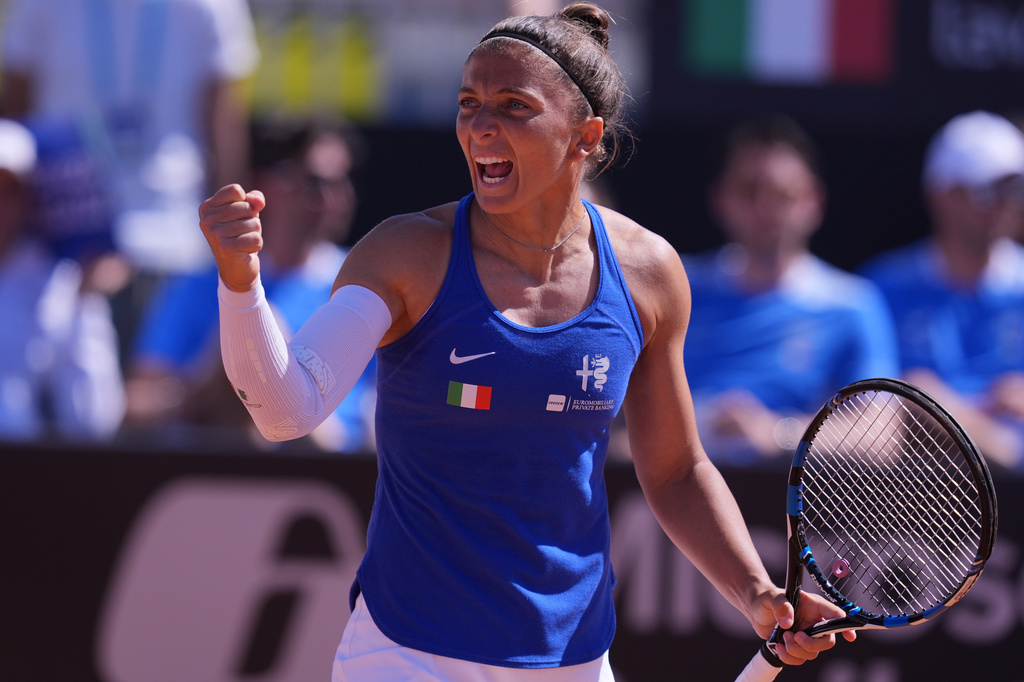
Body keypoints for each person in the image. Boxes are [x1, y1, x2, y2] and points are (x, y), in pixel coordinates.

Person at [199, 5, 854, 679]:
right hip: (404, 653)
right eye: (468, 103)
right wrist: (240, 284)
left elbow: (676, 471)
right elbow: (284, 411)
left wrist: (755, 594)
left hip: (573, 656)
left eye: (513, 106)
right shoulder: (405, 254)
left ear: (583, 136)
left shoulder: (649, 273)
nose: (480, 127)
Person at [0, 0, 260, 345]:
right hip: (63, 246)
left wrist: (228, 239)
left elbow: (222, 122)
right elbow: (17, 120)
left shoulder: (210, 6)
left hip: (174, 239)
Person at [125, 117, 376, 453]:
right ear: (267, 186)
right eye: (316, 183)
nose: (338, 199)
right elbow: (135, 405)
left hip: (334, 467)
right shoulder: (196, 286)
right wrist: (208, 382)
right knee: (248, 341)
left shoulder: (368, 283)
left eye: (344, 182)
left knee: (253, 341)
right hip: (216, 467)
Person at [680, 115, 899, 466]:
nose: (765, 208)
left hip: (791, 505)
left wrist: (777, 433)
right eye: (750, 190)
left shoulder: (853, 304)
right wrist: (703, 428)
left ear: (814, 202)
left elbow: (881, 434)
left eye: (783, 194)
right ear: (720, 198)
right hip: (673, 493)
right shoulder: (677, 285)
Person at [860, 110, 1024, 472]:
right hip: (911, 494)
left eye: (1013, 189)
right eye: (984, 190)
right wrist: (939, 407)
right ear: (940, 196)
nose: (1002, 204)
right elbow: (870, 407)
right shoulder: (879, 289)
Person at [0, 118, 125, 442]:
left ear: (28, 198)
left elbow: (92, 420)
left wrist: (86, 306)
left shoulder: (61, 282)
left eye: (6, 190)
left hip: (19, 474)